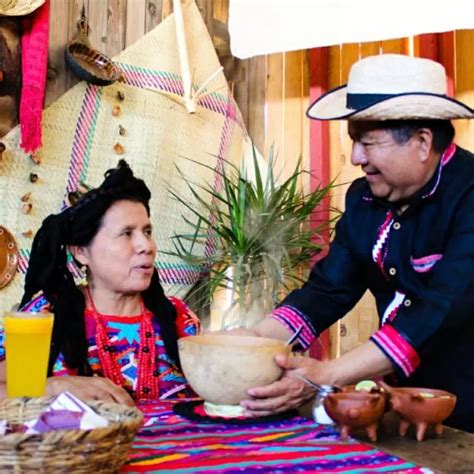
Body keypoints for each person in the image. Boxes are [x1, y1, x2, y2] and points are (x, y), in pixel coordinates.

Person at [236, 54, 474, 433]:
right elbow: (330, 288)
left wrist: (326, 373)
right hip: (404, 412)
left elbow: (440, 310)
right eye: (354, 142)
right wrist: (256, 340)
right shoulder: (364, 199)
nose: (356, 158)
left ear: (422, 142)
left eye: (367, 143)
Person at [0, 160, 199, 405]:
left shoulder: (176, 317)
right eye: (126, 233)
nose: (146, 246)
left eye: (147, 232)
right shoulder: (46, 316)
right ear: (81, 252)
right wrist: (51, 387)